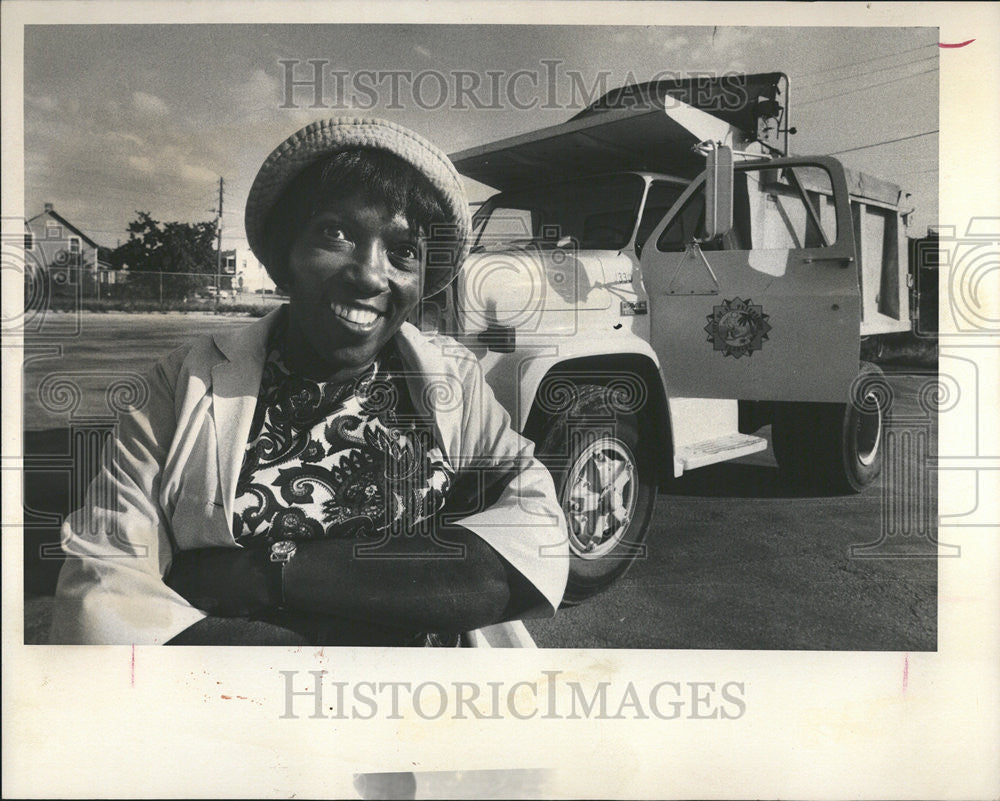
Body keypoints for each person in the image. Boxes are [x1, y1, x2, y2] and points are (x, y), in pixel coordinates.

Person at [50, 118, 569, 645]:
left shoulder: (454, 383)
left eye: (403, 250)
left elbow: (525, 553)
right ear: (284, 255)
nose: (369, 274)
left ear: (420, 280)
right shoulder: (179, 386)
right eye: (335, 233)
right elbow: (103, 597)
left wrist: (266, 572)